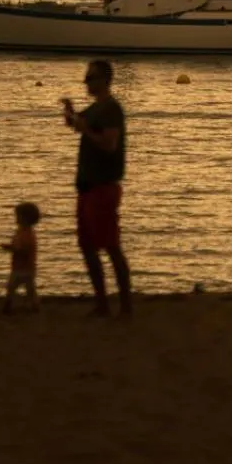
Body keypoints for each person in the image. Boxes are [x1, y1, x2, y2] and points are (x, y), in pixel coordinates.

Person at [62, 60, 131, 317]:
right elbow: (77, 124)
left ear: (104, 80)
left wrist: (85, 130)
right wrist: (70, 113)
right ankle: (102, 303)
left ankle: (124, 306)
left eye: (90, 77)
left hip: (103, 187)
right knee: (88, 246)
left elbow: (109, 144)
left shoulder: (111, 110)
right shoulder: (94, 109)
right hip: (87, 186)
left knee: (111, 246)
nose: (86, 82)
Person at [2, 202, 41, 314]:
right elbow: (17, 246)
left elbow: (23, 250)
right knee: (12, 287)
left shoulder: (28, 235)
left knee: (30, 289)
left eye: (18, 216)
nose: (16, 218)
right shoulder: (20, 232)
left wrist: (12, 249)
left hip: (26, 268)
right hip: (19, 267)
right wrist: (11, 247)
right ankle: (8, 305)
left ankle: (34, 305)